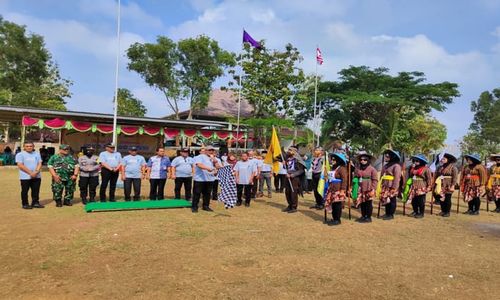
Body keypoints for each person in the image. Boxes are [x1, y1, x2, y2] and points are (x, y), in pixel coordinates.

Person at [191, 145, 221, 213]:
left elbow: (218, 167)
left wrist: (215, 161)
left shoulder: (214, 158)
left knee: (207, 194)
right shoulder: (199, 157)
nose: (211, 151)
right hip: (200, 179)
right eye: (209, 150)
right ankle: (194, 207)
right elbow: (199, 165)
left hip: (210, 179)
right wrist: (208, 168)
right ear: (205, 151)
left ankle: (206, 206)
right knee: (197, 193)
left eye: (212, 150)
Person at [15, 142, 43, 209]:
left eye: (30, 146)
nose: (29, 147)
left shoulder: (37, 154)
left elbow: (40, 163)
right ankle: (25, 204)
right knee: (25, 191)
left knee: (36, 190)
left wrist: (36, 172)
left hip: (37, 176)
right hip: (25, 176)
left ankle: (35, 202)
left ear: (33, 147)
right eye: (27, 146)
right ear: (24, 147)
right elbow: (20, 165)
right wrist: (30, 173)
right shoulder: (20, 154)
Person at [352, 151, 378, 223]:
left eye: (364, 159)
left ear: (368, 160)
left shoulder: (372, 169)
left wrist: (373, 189)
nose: (362, 161)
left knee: (368, 203)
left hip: (369, 188)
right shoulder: (358, 168)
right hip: (360, 188)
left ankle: (368, 217)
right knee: (362, 202)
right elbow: (355, 176)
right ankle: (363, 216)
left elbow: (375, 180)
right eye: (361, 160)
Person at [405, 154, 433, 218]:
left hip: (421, 186)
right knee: (414, 200)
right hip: (413, 186)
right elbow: (409, 175)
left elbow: (429, 178)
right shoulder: (412, 168)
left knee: (420, 201)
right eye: (414, 161)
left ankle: (421, 213)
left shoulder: (426, 169)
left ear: (421, 161)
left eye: (417, 161)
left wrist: (429, 186)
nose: (415, 162)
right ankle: (415, 211)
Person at [324, 153, 348, 225]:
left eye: (334, 159)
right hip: (332, 188)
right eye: (332, 159)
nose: (332, 161)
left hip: (338, 189)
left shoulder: (342, 169)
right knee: (333, 204)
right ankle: (334, 218)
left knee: (337, 205)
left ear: (338, 160)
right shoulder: (333, 168)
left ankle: (337, 219)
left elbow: (344, 179)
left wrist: (342, 190)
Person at [378, 149, 402, 220]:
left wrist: (394, 187)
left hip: (391, 185)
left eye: (388, 156)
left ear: (392, 157)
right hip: (385, 185)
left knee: (392, 200)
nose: (386, 157)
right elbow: (382, 175)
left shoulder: (396, 166)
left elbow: (397, 177)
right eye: (386, 156)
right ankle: (387, 213)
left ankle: (391, 214)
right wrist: (381, 183)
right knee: (386, 199)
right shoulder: (386, 165)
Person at [432, 153, 458, 217]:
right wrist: (434, 184)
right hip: (440, 185)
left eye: (444, 159)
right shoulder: (440, 167)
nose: (442, 160)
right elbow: (436, 175)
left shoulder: (453, 168)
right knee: (441, 198)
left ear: (448, 159)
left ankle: (447, 212)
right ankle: (443, 211)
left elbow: (455, 177)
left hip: (448, 184)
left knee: (447, 199)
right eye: (442, 159)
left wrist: (453, 186)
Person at [283, 147, 305, 213]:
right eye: (288, 149)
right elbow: (287, 168)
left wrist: (293, 175)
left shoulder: (298, 159)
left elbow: (301, 170)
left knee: (293, 192)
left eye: (290, 150)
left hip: (294, 178)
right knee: (287, 191)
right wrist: (284, 165)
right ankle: (289, 205)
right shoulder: (288, 159)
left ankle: (294, 206)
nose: (288, 151)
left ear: (294, 151)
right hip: (287, 176)